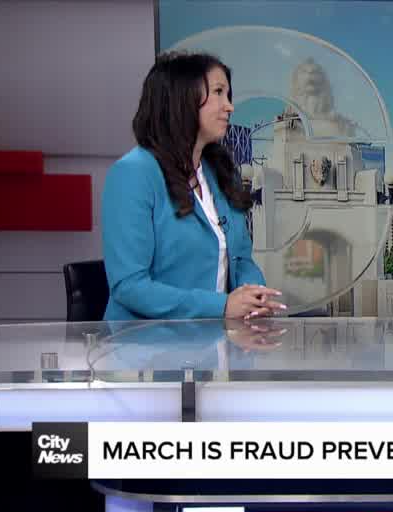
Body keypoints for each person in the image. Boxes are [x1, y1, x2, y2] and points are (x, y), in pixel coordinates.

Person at [101, 51, 284, 321]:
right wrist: (221, 306)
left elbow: (241, 259)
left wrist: (253, 296)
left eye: (228, 95)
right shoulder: (133, 174)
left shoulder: (221, 173)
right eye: (219, 92)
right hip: (143, 349)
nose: (230, 106)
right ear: (182, 99)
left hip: (212, 346)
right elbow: (129, 286)